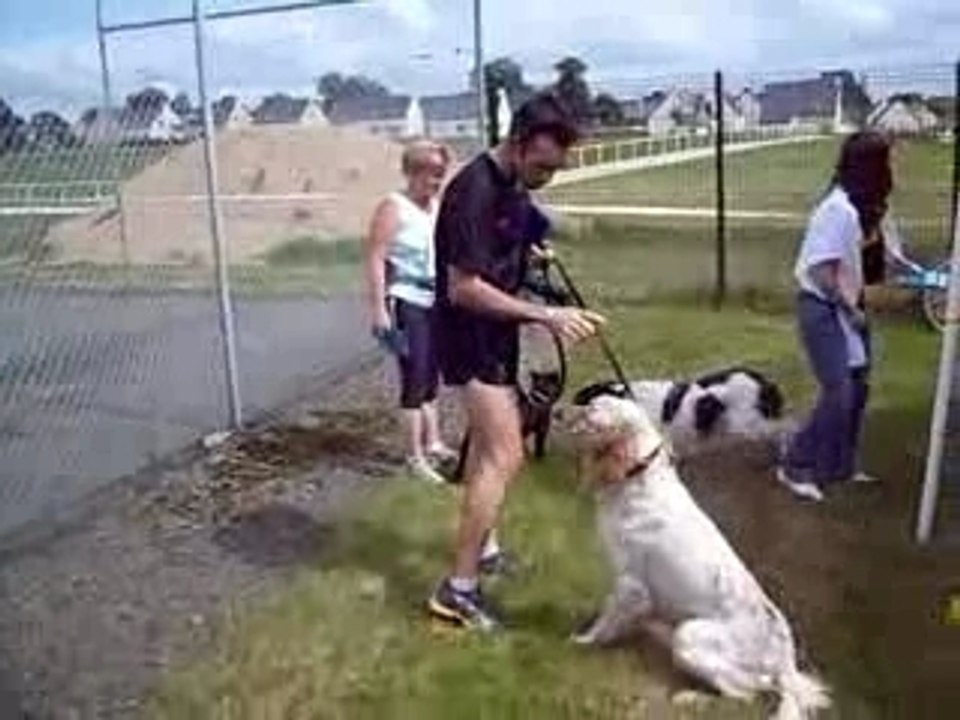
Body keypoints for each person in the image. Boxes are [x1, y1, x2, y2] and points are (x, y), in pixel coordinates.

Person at [426, 92, 606, 631]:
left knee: (489, 451)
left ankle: (484, 552)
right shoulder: (473, 190)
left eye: (556, 169)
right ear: (517, 143)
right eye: (542, 166)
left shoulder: (513, 184)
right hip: (468, 336)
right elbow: (463, 288)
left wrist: (535, 251)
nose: (547, 177)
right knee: (507, 455)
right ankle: (457, 591)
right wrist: (546, 315)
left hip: (496, 333)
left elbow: (520, 230)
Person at [777, 131, 918, 502]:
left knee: (858, 390)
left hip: (847, 306)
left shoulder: (866, 207)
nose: (894, 166)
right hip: (823, 308)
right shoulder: (837, 210)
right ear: (872, 165)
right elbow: (820, 271)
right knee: (839, 392)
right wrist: (849, 309)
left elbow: (886, 258)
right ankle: (795, 464)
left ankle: (840, 466)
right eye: (888, 159)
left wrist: (916, 275)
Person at [364, 139, 457, 485]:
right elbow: (376, 258)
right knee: (415, 379)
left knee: (431, 375)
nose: (436, 181)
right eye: (430, 174)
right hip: (406, 301)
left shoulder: (435, 207)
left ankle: (433, 444)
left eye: (440, 174)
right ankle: (413, 457)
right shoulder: (393, 207)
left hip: (435, 300)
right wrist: (379, 311)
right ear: (411, 173)